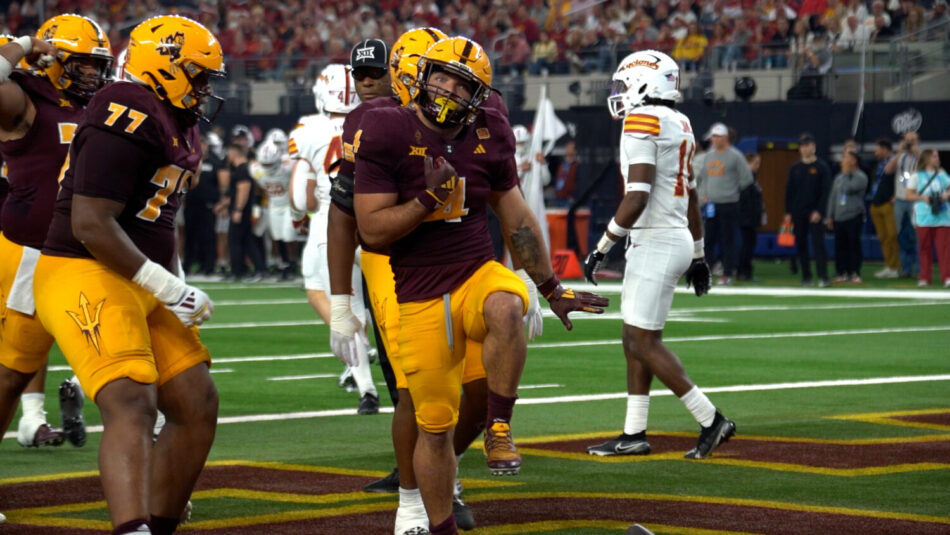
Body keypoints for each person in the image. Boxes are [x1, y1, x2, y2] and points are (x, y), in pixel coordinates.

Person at [353, 36, 608, 535]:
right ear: (422, 77)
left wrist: (552, 288)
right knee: (434, 429)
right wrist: (428, 199)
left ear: (478, 96)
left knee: (509, 302)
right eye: (442, 77)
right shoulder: (386, 127)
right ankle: (440, 525)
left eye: (462, 84)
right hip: (419, 291)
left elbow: (516, 217)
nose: (448, 89)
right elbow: (372, 230)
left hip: (473, 271)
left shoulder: (490, 128)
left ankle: (499, 425)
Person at [31, 14, 224, 535]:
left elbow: (160, 220)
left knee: (197, 399)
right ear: (163, 66)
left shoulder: (176, 118)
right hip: (84, 266)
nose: (205, 88)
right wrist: (168, 286)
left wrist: (173, 280)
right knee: (132, 400)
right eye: (198, 75)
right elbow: (90, 223)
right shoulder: (127, 105)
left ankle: (159, 519)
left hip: (140, 274)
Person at [582, 50, 735, 462]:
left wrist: (601, 247)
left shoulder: (642, 119)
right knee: (636, 338)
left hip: (656, 239)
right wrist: (698, 255)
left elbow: (638, 195)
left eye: (623, 83)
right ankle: (634, 433)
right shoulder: (679, 121)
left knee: (641, 340)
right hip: (674, 236)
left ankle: (711, 419)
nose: (619, 92)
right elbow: (692, 195)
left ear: (643, 82)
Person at [0, 15, 114, 450]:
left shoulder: (95, 105)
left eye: (97, 65)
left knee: (118, 343)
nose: (93, 73)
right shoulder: (27, 97)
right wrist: (26, 45)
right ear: (53, 59)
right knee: (13, 370)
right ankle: (32, 417)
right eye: (83, 63)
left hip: (87, 248)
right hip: (32, 249)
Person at [289, 62, 380, 414]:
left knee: (345, 309)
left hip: (333, 225)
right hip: (376, 221)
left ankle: (367, 389)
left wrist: (300, 216)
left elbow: (301, 199)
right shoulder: (379, 119)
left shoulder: (309, 129)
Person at [696, 122, 754, 285]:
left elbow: (746, 179)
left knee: (728, 241)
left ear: (725, 138)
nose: (714, 140)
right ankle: (706, 273)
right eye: (713, 137)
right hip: (711, 205)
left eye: (717, 136)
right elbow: (704, 179)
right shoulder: (708, 156)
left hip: (729, 204)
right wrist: (704, 196)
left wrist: (733, 193)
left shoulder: (735, 156)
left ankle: (727, 273)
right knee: (708, 240)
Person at [784, 132, 832, 287]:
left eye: (807, 145)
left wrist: (820, 211)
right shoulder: (795, 168)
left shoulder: (822, 167)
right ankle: (806, 277)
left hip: (815, 212)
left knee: (818, 244)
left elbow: (825, 192)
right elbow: (789, 191)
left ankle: (823, 276)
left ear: (813, 146)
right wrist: (788, 212)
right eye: (802, 146)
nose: (804, 149)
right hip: (798, 212)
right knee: (801, 244)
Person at [251, 139, 302, 280]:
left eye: (269, 164)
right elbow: (258, 189)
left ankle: (293, 264)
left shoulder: (289, 165)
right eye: (264, 164)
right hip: (273, 204)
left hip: (289, 205)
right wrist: (256, 210)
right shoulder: (255, 169)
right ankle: (284, 264)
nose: (267, 167)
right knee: (277, 237)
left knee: (289, 235)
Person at [906, 149, 950, 287]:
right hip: (924, 216)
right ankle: (924, 277)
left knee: (945, 249)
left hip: (942, 216)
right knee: (924, 247)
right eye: (934, 156)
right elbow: (908, 195)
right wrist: (922, 198)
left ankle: (947, 276)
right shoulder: (917, 176)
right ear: (927, 158)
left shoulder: (942, 174)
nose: (937, 158)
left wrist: (946, 195)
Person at [183, 132, 223, 279]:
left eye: (202, 143)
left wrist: (221, 202)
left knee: (208, 237)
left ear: (206, 145)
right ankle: (188, 265)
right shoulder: (188, 161)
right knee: (190, 236)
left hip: (208, 206)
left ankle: (209, 266)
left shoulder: (215, 162)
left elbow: (222, 184)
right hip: (191, 204)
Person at [225, 142, 267, 281]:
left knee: (235, 240)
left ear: (233, 154)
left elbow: (244, 189)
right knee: (247, 240)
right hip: (245, 210)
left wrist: (238, 209)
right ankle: (255, 269)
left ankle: (237, 271)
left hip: (243, 210)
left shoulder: (242, 169)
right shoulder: (244, 168)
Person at [825, 150, 868, 283]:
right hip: (839, 216)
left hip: (854, 215)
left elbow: (849, 188)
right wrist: (829, 216)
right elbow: (833, 196)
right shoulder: (838, 177)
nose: (842, 161)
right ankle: (841, 272)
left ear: (853, 161)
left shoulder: (861, 176)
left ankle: (854, 272)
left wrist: (845, 173)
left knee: (853, 245)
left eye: (845, 158)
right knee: (840, 246)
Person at [885, 130, 921, 278]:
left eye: (912, 140)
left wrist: (916, 152)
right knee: (901, 235)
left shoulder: (921, 156)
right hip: (900, 199)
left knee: (917, 235)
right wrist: (899, 152)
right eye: (907, 140)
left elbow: (926, 169)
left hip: (916, 200)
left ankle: (920, 269)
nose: (909, 143)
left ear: (918, 141)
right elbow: (888, 170)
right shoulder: (900, 157)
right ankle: (906, 269)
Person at [868, 138, 900, 278]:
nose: (875, 153)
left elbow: (900, 178)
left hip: (888, 203)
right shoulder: (877, 164)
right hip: (876, 203)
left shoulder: (895, 161)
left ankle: (896, 266)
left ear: (885, 149)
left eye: (877, 150)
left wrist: (897, 195)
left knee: (892, 236)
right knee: (883, 237)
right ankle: (889, 265)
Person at [738, 153, 765, 281]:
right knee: (747, 245)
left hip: (751, 218)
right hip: (747, 218)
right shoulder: (746, 179)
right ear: (748, 163)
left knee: (749, 245)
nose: (758, 166)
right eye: (755, 163)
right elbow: (746, 200)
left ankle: (745, 271)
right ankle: (744, 272)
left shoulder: (753, 178)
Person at [549, 139, 579, 207]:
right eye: (567, 147)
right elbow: (557, 179)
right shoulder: (561, 165)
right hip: (558, 197)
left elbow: (579, 183)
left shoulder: (577, 166)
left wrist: (574, 196)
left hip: (569, 199)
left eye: (570, 148)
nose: (568, 150)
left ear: (575, 151)